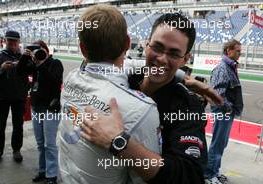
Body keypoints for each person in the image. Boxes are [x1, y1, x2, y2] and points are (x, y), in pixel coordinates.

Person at [80, 13, 223, 184]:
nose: (162, 58)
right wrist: (182, 76)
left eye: (174, 53)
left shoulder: (187, 106)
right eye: (157, 47)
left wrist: (119, 143)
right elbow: (92, 66)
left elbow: (189, 174)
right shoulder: (124, 78)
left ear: (186, 59)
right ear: (146, 46)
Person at [58, 5, 161, 184]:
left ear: (82, 49)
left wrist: (181, 76)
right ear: (128, 43)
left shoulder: (71, 79)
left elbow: (120, 67)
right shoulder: (142, 109)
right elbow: (146, 179)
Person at [16, 40, 64, 184]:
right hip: (37, 108)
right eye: (35, 50)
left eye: (40, 49)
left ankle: (52, 176)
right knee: (40, 143)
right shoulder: (33, 64)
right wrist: (25, 57)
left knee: (49, 144)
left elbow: (54, 82)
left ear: (46, 50)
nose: (39, 52)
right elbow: (19, 72)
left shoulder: (55, 63)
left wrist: (42, 64)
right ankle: (43, 171)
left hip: (51, 108)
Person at [204, 39, 243, 184]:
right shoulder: (222, 68)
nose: (240, 53)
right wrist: (230, 108)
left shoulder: (229, 67)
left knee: (221, 144)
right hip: (223, 112)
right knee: (218, 144)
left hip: (227, 112)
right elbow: (217, 95)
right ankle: (208, 175)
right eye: (238, 50)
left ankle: (215, 171)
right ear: (229, 51)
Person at [0, 30, 29, 162]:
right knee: (0, 125)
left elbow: (30, 74)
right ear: (5, 41)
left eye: (14, 41)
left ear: (18, 42)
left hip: (19, 97)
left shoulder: (24, 57)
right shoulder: (0, 56)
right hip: (1, 97)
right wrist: (1, 69)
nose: (11, 43)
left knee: (18, 125)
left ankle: (16, 149)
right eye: (9, 40)